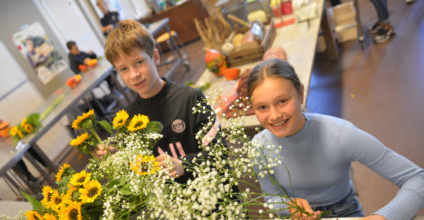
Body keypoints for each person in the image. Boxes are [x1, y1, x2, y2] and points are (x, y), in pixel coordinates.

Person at [247, 59, 424, 219]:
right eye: (262, 107)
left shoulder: (340, 134)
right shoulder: (258, 147)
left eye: (282, 101)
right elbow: (271, 197)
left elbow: (418, 180)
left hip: (344, 212)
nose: (274, 115)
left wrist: (382, 217)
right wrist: (289, 206)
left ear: (300, 93)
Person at [95, 20, 222, 183]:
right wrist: (115, 155)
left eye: (139, 62)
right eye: (124, 69)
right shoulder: (127, 118)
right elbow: (138, 168)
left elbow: (219, 152)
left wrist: (184, 164)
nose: (134, 74)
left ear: (155, 57)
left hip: (211, 192)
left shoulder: (190, 98)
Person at [0, 107, 47, 185]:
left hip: (12, 145)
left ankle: (46, 164)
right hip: (2, 154)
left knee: (28, 148)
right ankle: (30, 178)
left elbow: (11, 130)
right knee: (16, 160)